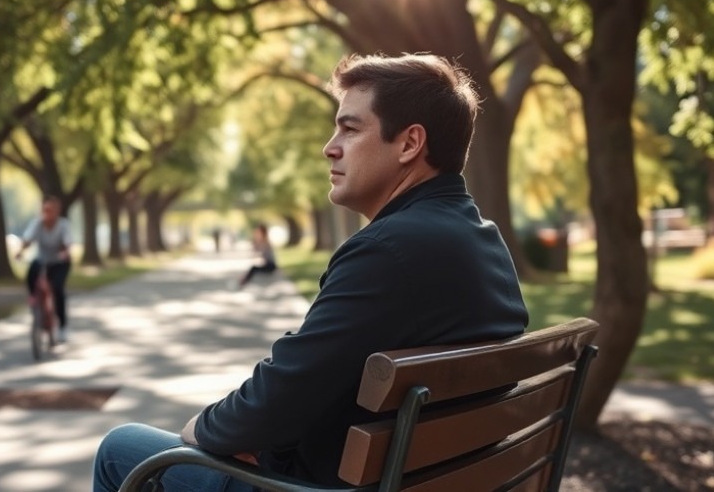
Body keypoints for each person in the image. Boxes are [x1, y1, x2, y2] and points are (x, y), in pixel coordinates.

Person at [93, 53, 529, 491]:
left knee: (121, 448)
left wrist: (203, 429)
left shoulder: (387, 251)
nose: (330, 147)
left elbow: (275, 400)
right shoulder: (483, 241)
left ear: (409, 143)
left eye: (350, 128)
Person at [14, 195, 73, 342]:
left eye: (50, 210)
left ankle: (62, 327)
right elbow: (28, 239)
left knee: (58, 289)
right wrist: (21, 251)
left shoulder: (63, 225)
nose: (47, 213)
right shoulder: (38, 224)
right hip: (42, 260)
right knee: (31, 274)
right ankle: (35, 300)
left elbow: (68, 243)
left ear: (57, 211)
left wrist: (65, 252)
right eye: (45, 210)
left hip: (59, 261)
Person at [234, 223, 277, 288]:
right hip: (268, 264)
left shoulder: (265, 242)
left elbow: (261, 254)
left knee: (253, 268)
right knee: (253, 268)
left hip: (271, 265)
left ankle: (243, 281)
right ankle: (243, 280)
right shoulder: (262, 242)